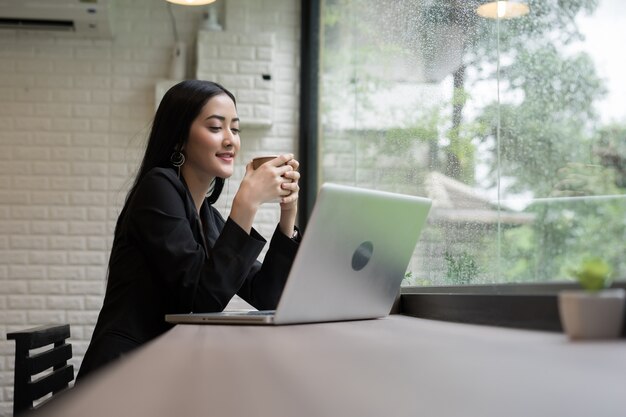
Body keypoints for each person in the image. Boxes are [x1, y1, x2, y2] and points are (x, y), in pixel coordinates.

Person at [77, 80, 301, 381]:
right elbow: (200, 302)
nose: (230, 140)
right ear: (180, 138)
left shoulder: (206, 216)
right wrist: (246, 203)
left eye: (234, 129)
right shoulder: (157, 187)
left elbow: (268, 296)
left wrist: (287, 214)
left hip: (161, 368)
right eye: (215, 127)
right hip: (122, 373)